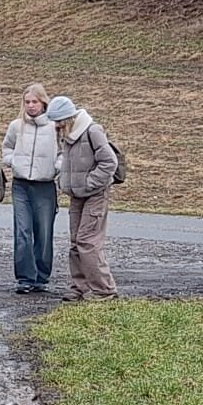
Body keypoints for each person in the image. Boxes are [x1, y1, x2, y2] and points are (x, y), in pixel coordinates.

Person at [46, 94, 121, 301]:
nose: (56, 126)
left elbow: (109, 162)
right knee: (75, 242)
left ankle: (104, 289)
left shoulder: (93, 131)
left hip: (95, 194)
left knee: (87, 241)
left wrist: (89, 183)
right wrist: (64, 179)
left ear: (68, 118)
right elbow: (65, 159)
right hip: (76, 195)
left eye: (59, 122)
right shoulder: (66, 134)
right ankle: (80, 287)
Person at [2, 83, 59, 294]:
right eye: (27, 102)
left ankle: (41, 276)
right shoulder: (17, 126)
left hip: (45, 185)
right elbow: (6, 147)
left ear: (43, 102)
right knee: (22, 230)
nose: (31, 106)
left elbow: (63, 152)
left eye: (35, 102)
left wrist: (57, 167)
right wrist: (13, 161)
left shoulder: (54, 127)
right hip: (21, 184)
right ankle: (25, 277)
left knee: (43, 231)